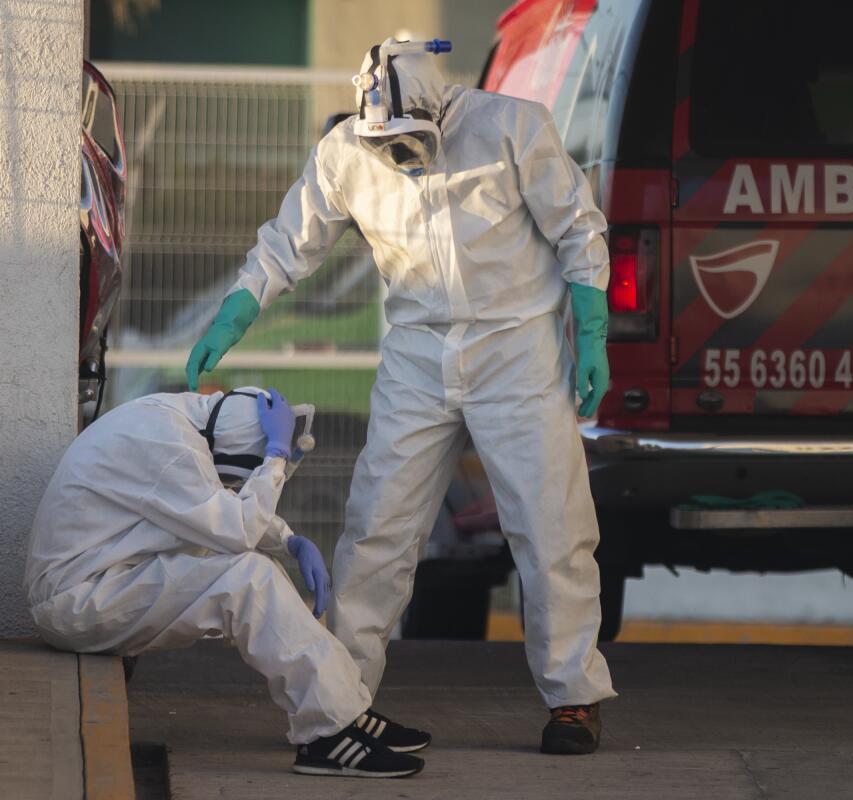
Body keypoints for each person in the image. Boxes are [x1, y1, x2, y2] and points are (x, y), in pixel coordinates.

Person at [186, 36, 617, 754]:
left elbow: (578, 225)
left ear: (439, 107)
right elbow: (288, 242)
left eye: (411, 142)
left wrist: (593, 328)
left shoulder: (511, 126)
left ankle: (573, 695)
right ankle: (341, 697)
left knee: (551, 528)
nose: (399, 155)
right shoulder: (347, 152)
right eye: (386, 143)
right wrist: (237, 310)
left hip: (516, 354)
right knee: (377, 530)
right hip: (417, 356)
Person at [24, 387, 431, 778]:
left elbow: (213, 504)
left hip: (100, 585)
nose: (233, 486)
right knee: (248, 578)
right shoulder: (167, 444)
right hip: (76, 604)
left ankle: (346, 711)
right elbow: (234, 526)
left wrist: (288, 540)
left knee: (249, 570)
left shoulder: (172, 424)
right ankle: (329, 733)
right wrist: (274, 458)